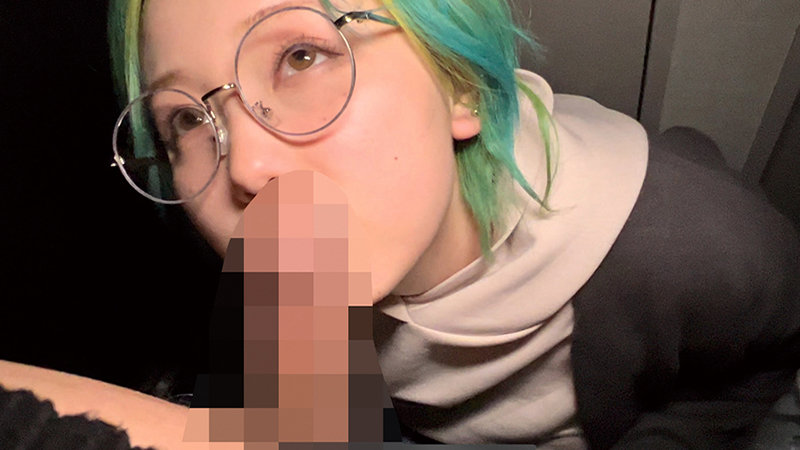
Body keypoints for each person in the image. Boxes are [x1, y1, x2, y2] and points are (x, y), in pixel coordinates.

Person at [103, 0, 800, 448]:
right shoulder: (278, 283)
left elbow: (756, 375)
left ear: (459, 82)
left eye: (300, 57)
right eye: (187, 118)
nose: (247, 167)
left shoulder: (706, 248)